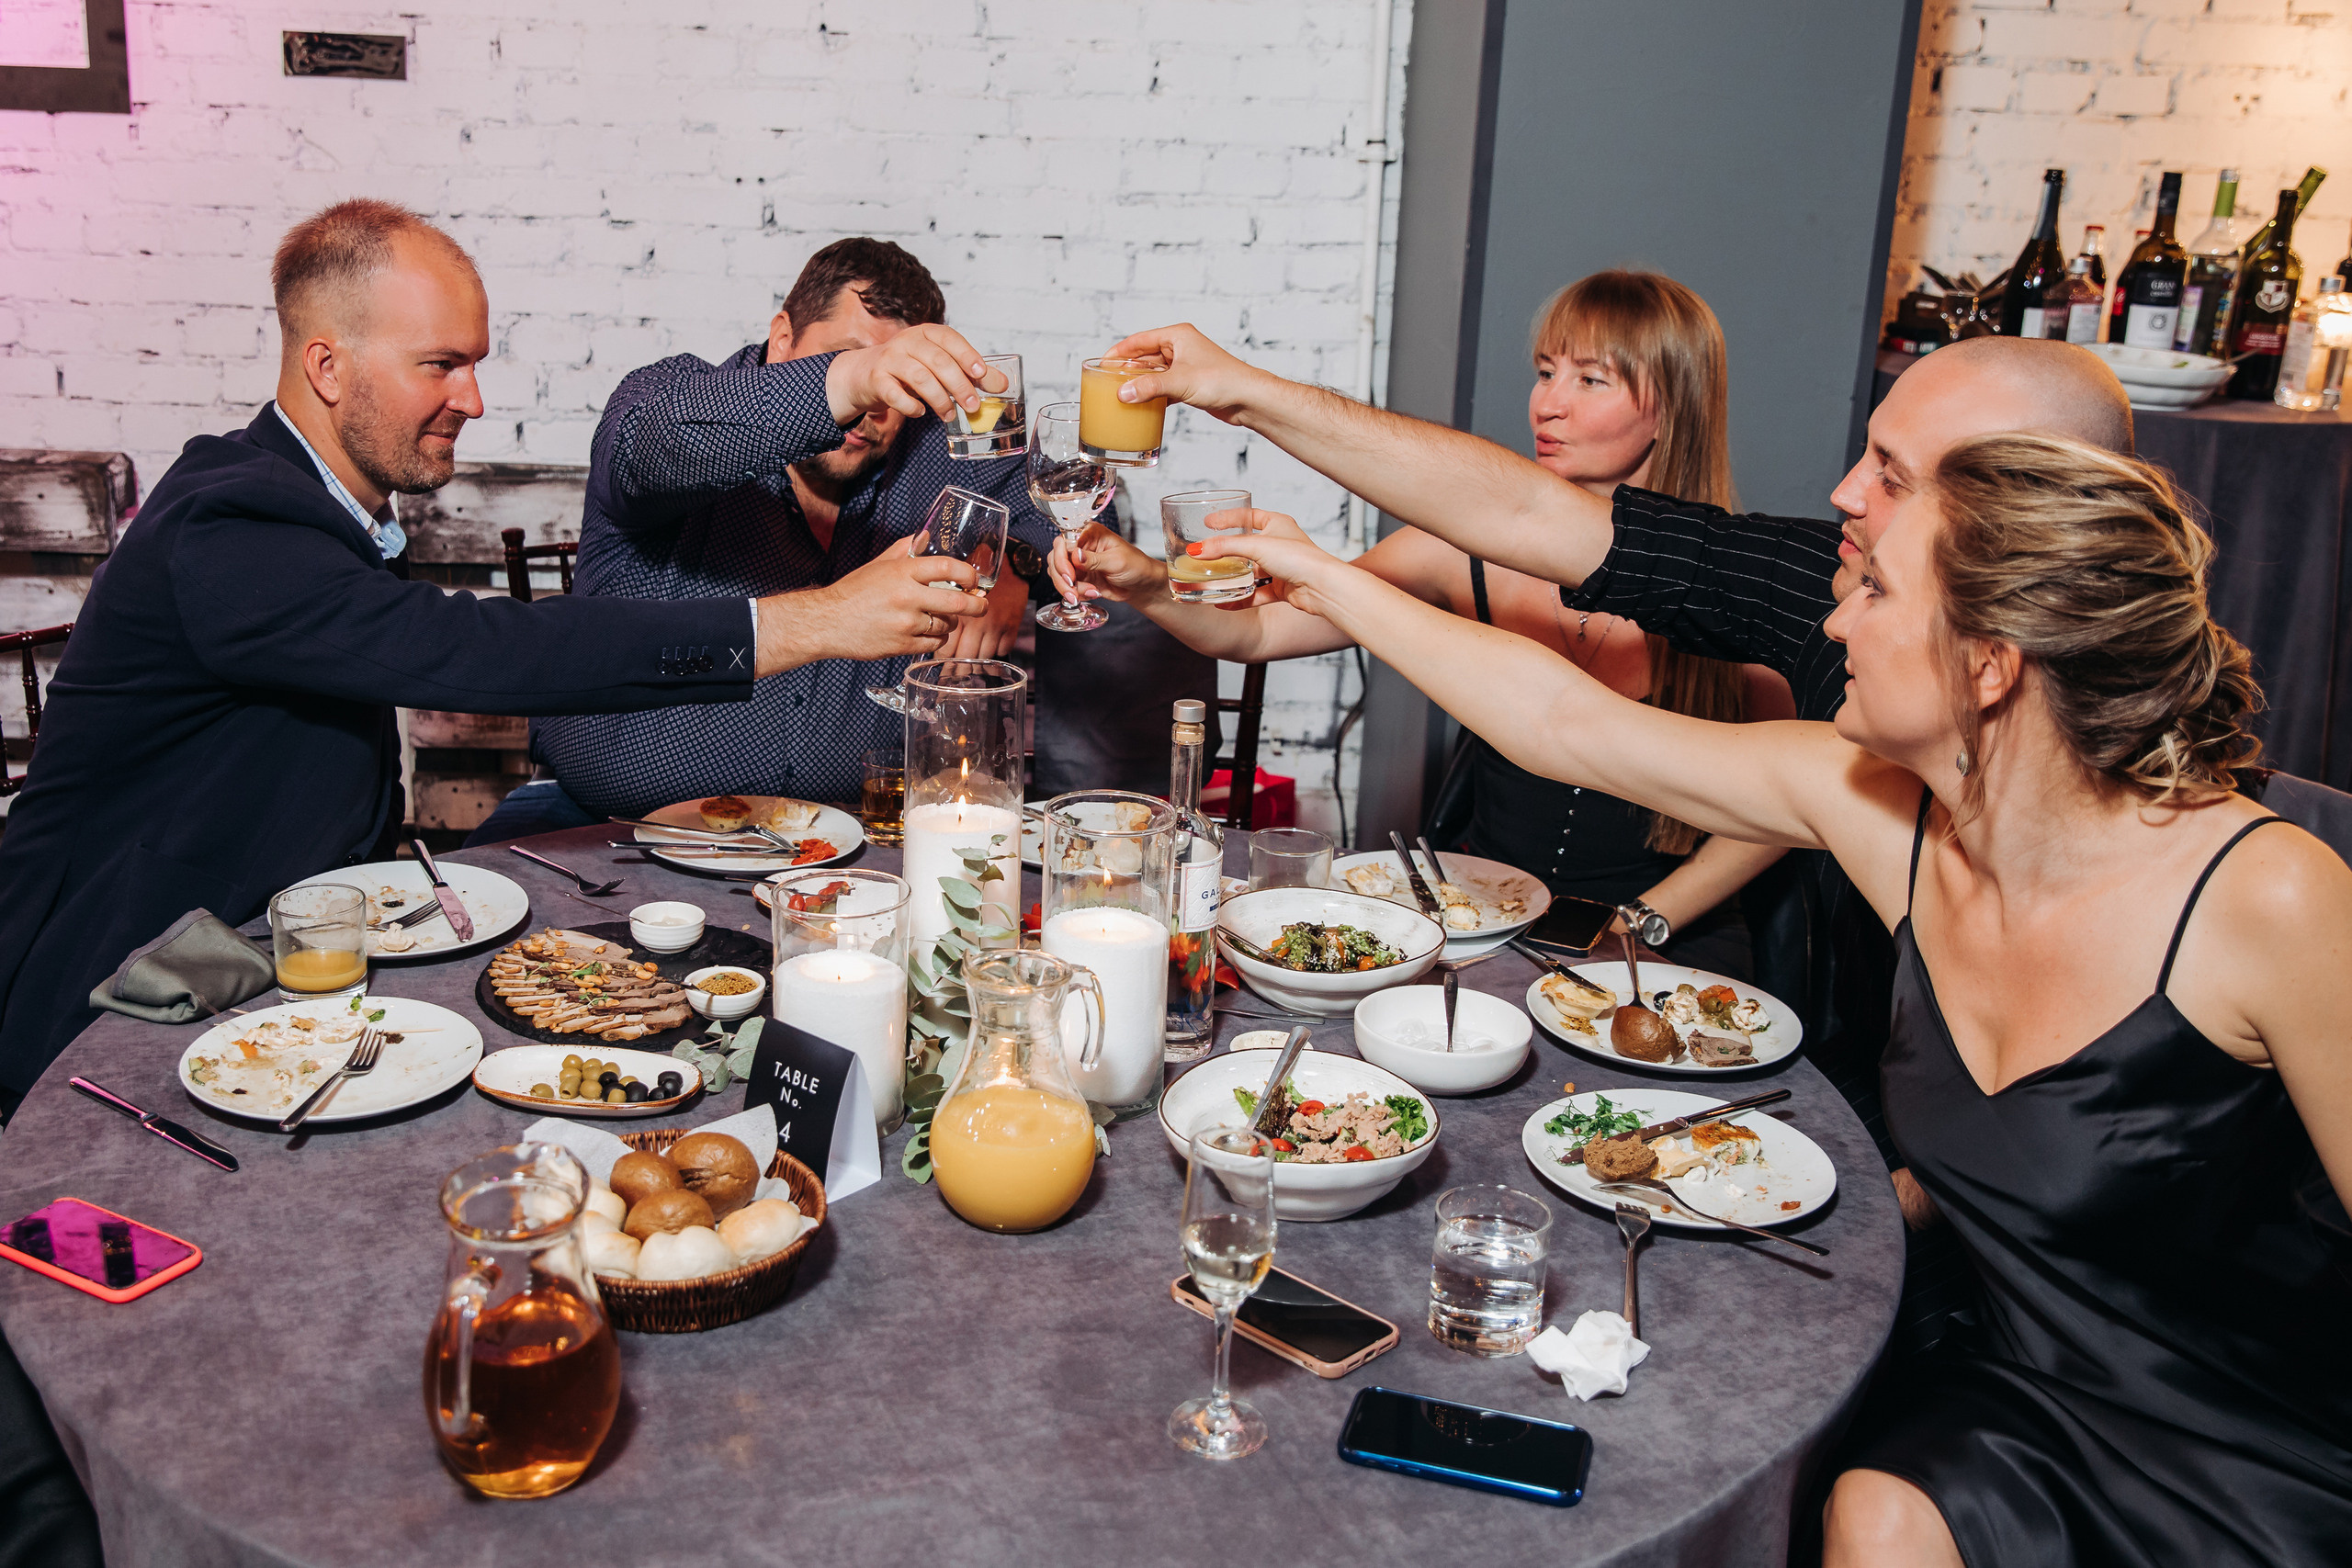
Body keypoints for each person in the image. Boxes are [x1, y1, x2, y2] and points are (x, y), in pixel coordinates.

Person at [1190, 434, 2352, 1568]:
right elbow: (1564, 723)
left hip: (2271, 1439)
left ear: (1989, 665)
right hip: (2020, 1408)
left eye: (1876, 593)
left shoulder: (2266, 895)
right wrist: (1330, 582)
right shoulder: (1881, 812)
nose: (1835, 620)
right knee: (1875, 1513)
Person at [1060, 324, 2136, 1352]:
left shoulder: (2225, 881)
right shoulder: (1854, 720)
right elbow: (1556, 659)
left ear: (2034, 516)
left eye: (1892, 475)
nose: (1845, 493)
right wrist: (1244, 400)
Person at [0, 201, 1002, 1104]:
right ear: (327, 367)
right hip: (109, 1005)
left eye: (473, 363)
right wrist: (817, 621)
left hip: (272, 971)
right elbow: (465, 649)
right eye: (440, 365)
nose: (473, 401)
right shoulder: (232, 518)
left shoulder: (311, 510)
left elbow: (1027, 491)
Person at [1057, 272, 1791, 976]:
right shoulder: (1458, 549)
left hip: (1668, 941)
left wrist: (1642, 918)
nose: (1547, 404)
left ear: (1672, 408)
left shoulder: (1726, 584)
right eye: (1544, 372)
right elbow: (1260, 634)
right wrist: (1147, 581)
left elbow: (1790, 796)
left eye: (1589, 379)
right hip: (1490, 919)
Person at [474, 238, 1055, 839]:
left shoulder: (930, 445)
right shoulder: (680, 401)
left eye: (899, 379)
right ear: (783, 339)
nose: (879, 401)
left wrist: (1011, 560)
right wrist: (849, 383)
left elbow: (1071, 505)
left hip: (842, 843)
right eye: (851, 358)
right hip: (599, 828)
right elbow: (641, 447)